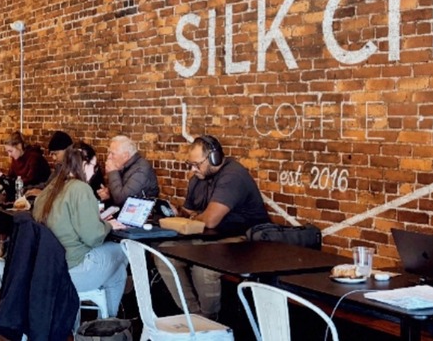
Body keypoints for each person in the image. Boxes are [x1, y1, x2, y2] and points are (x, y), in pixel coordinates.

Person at [156, 135, 270, 318]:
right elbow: (188, 212)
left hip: (246, 240)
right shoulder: (199, 177)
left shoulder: (233, 176)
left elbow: (210, 220)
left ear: (214, 158)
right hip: (213, 238)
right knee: (165, 254)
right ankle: (193, 315)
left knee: (203, 268)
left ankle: (210, 320)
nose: (193, 170)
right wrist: (178, 213)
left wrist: (196, 216)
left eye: (197, 164)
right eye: (190, 164)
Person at [32, 148, 128, 317]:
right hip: (72, 270)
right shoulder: (81, 188)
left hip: (48, 268)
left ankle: (106, 320)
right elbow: (93, 238)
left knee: (118, 273)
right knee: (122, 251)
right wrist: (108, 225)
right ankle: (107, 323)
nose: (94, 172)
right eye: (94, 166)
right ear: (83, 164)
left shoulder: (51, 188)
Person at [97, 135, 159, 207]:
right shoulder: (124, 166)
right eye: (109, 153)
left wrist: (113, 172)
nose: (109, 157)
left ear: (125, 156)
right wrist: (110, 194)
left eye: (112, 154)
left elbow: (122, 200)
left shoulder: (141, 170)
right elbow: (121, 191)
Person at [25, 130, 73, 195]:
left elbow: (65, 193)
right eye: (52, 154)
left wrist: (42, 194)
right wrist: (28, 188)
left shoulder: (74, 170)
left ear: (67, 150)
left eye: (56, 154)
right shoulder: (59, 167)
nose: (54, 158)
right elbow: (47, 185)